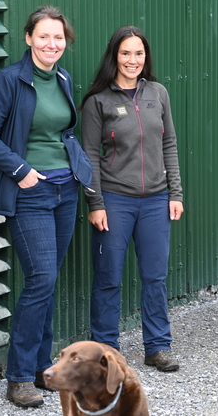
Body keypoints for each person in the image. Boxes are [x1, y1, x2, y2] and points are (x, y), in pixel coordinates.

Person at [0, 5, 92, 407]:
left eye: (58, 38)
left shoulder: (61, 77)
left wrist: (75, 164)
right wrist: (20, 169)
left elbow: (63, 129)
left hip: (64, 191)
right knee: (41, 278)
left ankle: (43, 370)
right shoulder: (9, 80)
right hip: (30, 193)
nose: (51, 44)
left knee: (48, 281)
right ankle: (20, 376)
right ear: (28, 38)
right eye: (44, 36)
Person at [80, 26, 184, 372]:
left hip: (155, 201)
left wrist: (175, 194)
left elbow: (168, 144)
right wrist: (95, 204)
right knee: (108, 276)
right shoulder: (98, 101)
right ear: (114, 56)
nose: (132, 60)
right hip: (114, 201)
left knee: (155, 276)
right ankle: (105, 352)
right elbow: (89, 156)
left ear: (145, 57)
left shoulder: (158, 93)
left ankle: (157, 347)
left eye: (138, 53)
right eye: (125, 53)